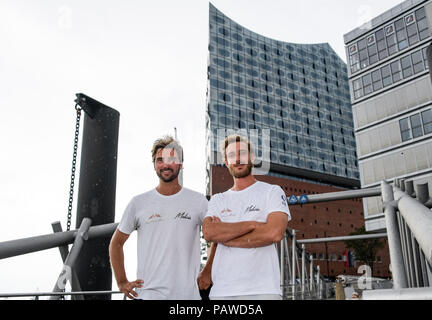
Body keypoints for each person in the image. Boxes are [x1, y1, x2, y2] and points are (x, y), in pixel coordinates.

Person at [109, 136, 209, 300]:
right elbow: (116, 243)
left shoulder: (198, 201)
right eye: (160, 160)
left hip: (187, 297)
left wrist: (208, 270)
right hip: (148, 295)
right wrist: (121, 281)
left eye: (171, 159)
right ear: (154, 165)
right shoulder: (138, 203)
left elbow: (215, 238)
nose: (165, 165)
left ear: (181, 164)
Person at [201, 134, 291, 300]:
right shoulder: (218, 199)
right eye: (231, 156)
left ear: (252, 157)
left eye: (242, 153)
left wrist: (225, 238)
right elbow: (209, 233)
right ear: (226, 162)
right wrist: (252, 225)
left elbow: (274, 233)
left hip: (263, 291)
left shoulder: (272, 191)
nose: (237, 159)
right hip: (222, 292)